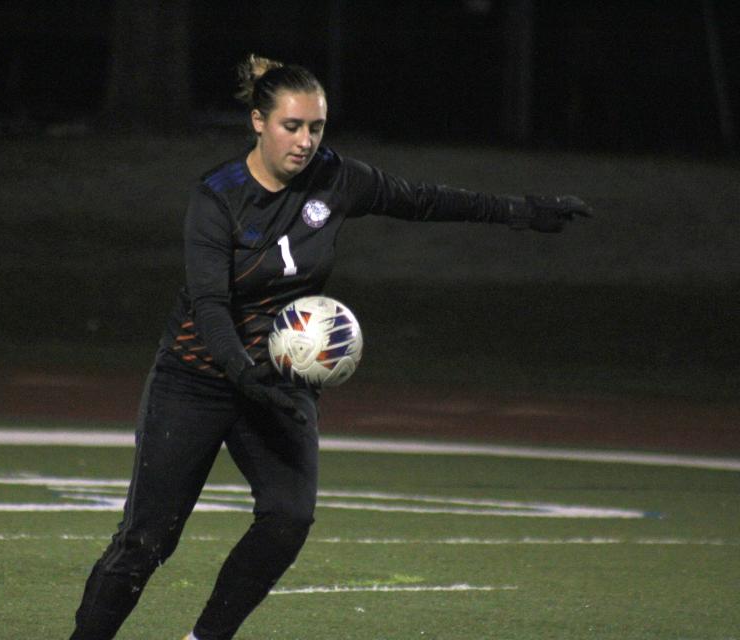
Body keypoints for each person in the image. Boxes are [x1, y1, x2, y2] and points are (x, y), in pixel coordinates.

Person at [69, 54, 591, 640]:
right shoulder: (216, 197)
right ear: (258, 123)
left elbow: (421, 199)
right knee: (147, 540)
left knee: (288, 518)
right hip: (196, 378)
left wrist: (523, 212)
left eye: (316, 127)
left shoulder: (335, 178)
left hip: (279, 379)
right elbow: (210, 305)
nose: (305, 141)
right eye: (292, 126)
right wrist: (243, 374)